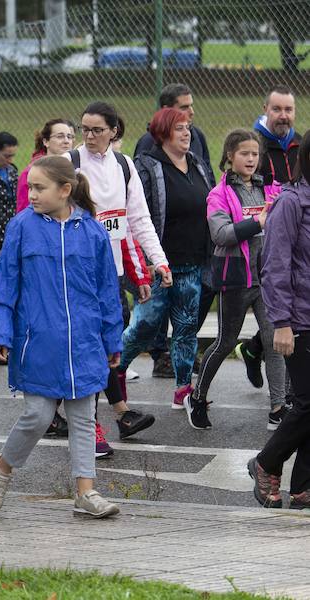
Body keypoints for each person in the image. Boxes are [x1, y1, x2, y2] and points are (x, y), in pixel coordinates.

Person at [0, 155, 122, 519]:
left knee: (83, 419)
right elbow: (4, 284)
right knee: (38, 415)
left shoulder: (92, 231)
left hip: (85, 343)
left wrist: (112, 339)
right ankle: (3, 466)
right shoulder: (21, 227)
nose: (32, 195)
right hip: (37, 342)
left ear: (65, 190)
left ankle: (85, 492)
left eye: (40, 188)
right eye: (30, 188)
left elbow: (108, 291)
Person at [72, 101, 169, 454]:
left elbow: (136, 222)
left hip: (110, 277)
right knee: (91, 350)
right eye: (85, 128)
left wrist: (155, 265)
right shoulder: (72, 163)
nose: (90, 136)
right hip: (77, 276)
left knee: (107, 347)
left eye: (97, 129)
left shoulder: (125, 166)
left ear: (114, 130)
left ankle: (119, 415)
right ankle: (96, 425)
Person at [186, 129, 287, 431]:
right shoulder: (218, 195)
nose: (251, 159)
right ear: (230, 156)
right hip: (235, 277)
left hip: (267, 279)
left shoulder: (270, 189)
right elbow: (221, 234)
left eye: (255, 154)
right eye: (244, 153)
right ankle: (198, 397)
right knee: (225, 341)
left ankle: (278, 407)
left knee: (273, 341)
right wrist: (257, 221)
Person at [118, 107, 213, 413]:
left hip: (191, 263)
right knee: (144, 326)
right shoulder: (146, 167)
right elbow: (136, 219)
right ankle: (114, 373)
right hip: (158, 266)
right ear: (162, 133)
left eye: (188, 127)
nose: (187, 133)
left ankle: (183, 389)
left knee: (186, 329)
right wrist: (146, 260)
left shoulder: (197, 164)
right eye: (179, 128)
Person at [248, 131, 310, 511]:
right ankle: (266, 462)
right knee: (306, 404)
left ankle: (302, 486)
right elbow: (274, 267)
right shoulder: (291, 203)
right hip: (299, 321)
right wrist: (282, 323)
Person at [239, 86, 302, 389]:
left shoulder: (299, 144)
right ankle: (286, 399)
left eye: (288, 110)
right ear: (265, 109)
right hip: (260, 237)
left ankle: (253, 349)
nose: (283, 116)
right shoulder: (255, 146)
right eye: (277, 109)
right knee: (276, 308)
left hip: (295, 232)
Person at [134, 83, 214, 182]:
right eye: (184, 108)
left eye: (191, 106)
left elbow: (209, 177)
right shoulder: (149, 141)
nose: (192, 112)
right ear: (166, 109)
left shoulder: (197, 136)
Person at [16, 119, 76, 212]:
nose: (66, 141)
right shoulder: (31, 172)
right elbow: (23, 211)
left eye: (69, 137)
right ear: (46, 141)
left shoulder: (77, 169)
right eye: (60, 136)